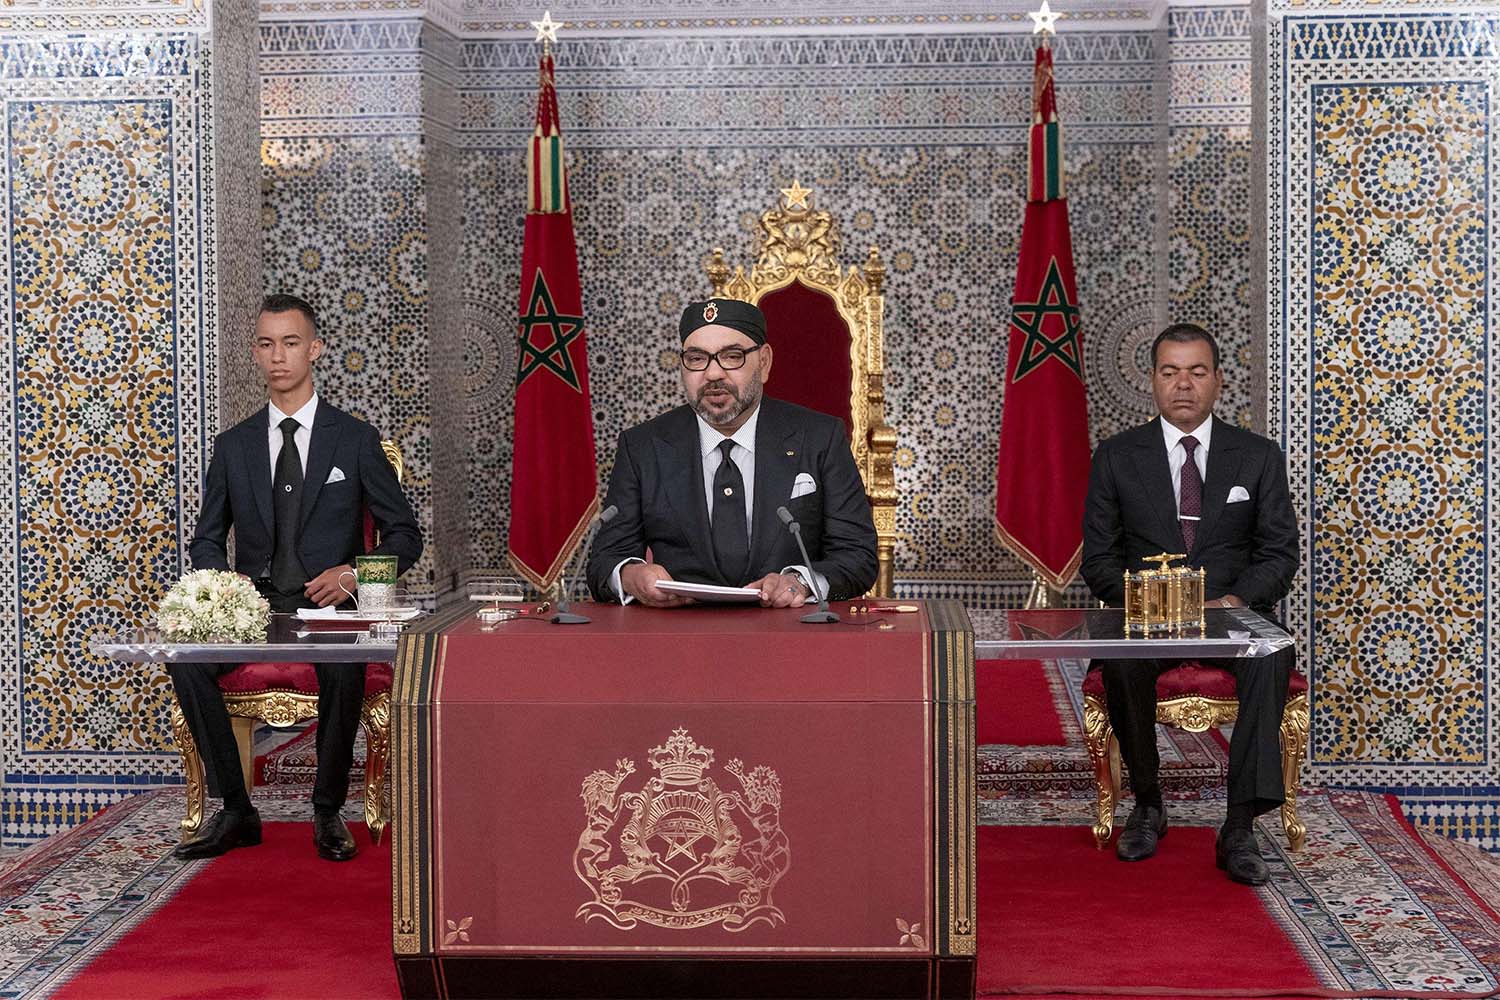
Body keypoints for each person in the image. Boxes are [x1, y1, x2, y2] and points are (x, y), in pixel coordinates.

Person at [168, 294, 422, 862]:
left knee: (344, 661)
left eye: (289, 343)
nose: (278, 356)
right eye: (266, 344)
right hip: (253, 610)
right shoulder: (232, 447)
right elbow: (208, 537)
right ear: (255, 353)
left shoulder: (354, 439)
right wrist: (217, 593)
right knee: (184, 658)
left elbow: (405, 535)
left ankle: (328, 810)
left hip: (329, 611)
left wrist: (353, 575)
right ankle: (236, 808)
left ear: (315, 349)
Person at [1081, 322, 1298, 885]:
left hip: (1230, 615)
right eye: (1171, 372)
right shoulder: (1116, 457)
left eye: (1197, 372)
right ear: (1152, 380)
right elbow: (1098, 560)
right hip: (1146, 619)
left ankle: (1240, 826)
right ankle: (1149, 804)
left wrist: (1236, 600)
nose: (1184, 385)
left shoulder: (1257, 457)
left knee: (1272, 654)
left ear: (1218, 380)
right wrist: (1146, 604)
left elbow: (1279, 554)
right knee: (1121, 656)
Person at [587, 298, 878, 607]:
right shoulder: (643, 446)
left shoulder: (820, 437)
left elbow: (857, 555)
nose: (713, 373)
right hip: (679, 639)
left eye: (732, 356)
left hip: (792, 637)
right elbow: (605, 561)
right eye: (697, 358)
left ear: (764, 362)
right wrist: (631, 576)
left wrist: (799, 582)